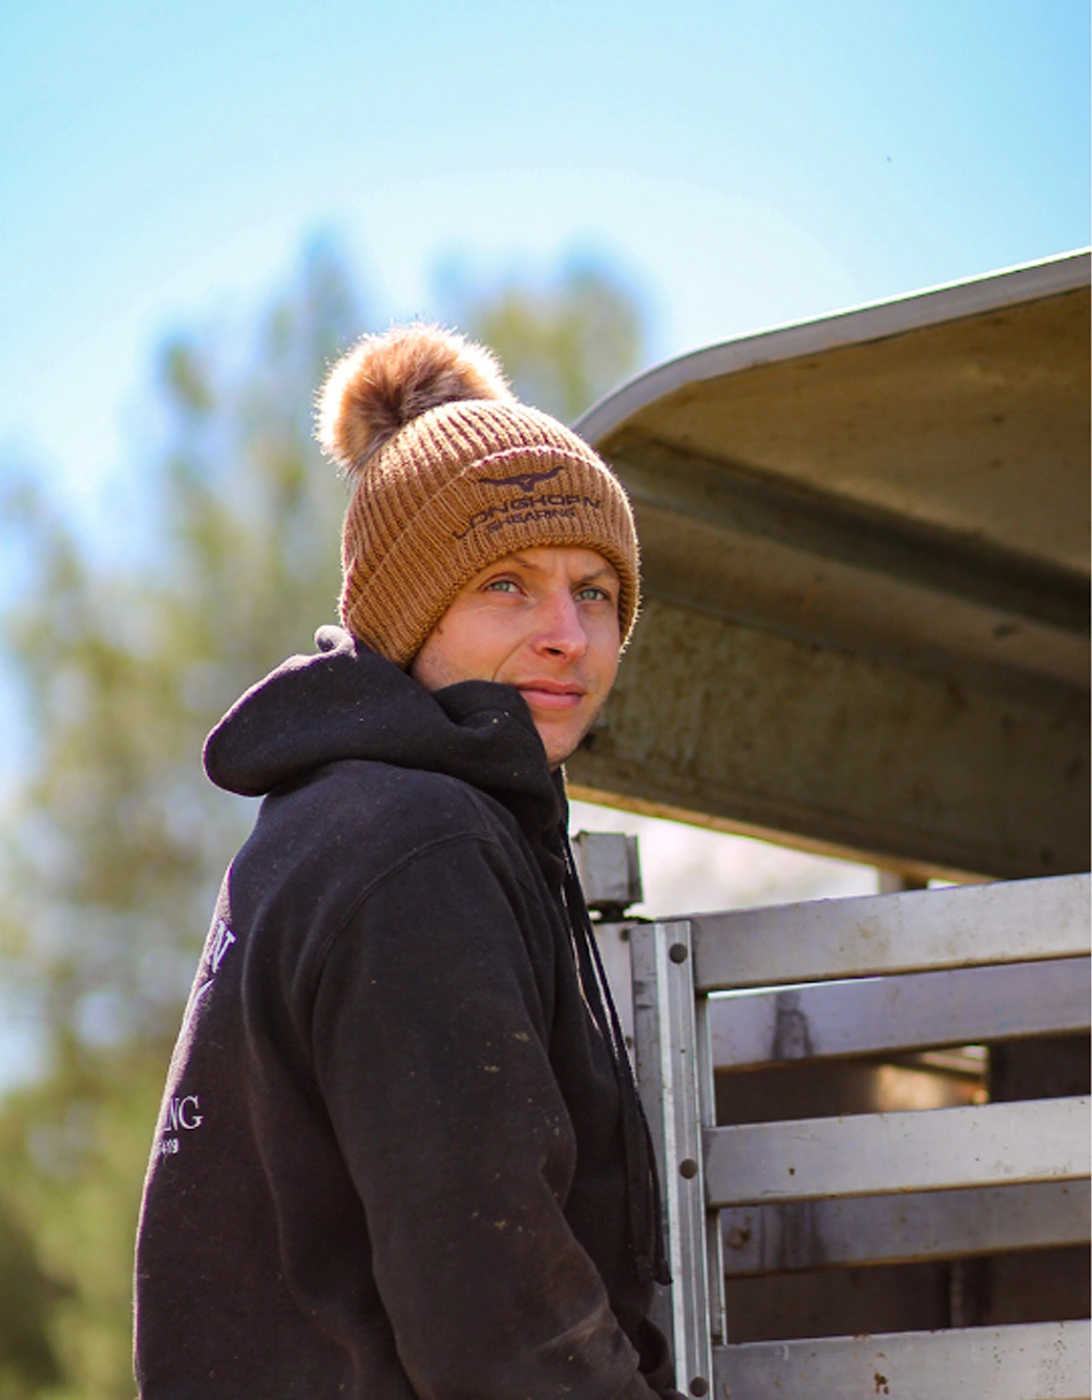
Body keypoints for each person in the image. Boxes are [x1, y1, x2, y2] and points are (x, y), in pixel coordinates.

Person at [134, 324, 681, 1399]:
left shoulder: (352, 818)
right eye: (507, 587)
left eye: (597, 591)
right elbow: (498, 1314)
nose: (569, 632)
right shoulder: (416, 845)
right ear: (408, 608)